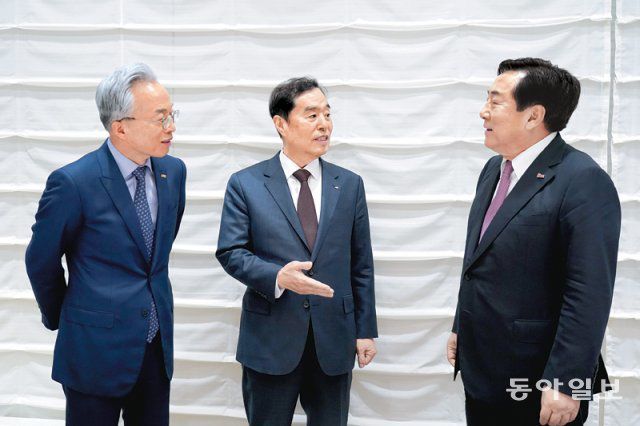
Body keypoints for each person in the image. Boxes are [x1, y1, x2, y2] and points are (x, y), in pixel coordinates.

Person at [447, 58, 621, 426]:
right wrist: (462, 326)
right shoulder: (494, 169)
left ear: (533, 115)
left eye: (495, 101)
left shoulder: (582, 180)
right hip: (484, 367)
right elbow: (480, 259)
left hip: (539, 378)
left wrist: (566, 382)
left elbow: (589, 293)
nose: (483, 111)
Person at [25, 63, 186, 426]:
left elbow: (154, 254)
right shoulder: (74, 182)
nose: (171, 127)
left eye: (172, 115)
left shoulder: (173, 172)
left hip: (155, 347)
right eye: (160, 118)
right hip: (93, 350)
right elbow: (40, 261)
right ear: (120, 127)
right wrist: (66, 317)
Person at [216, 77, 378, 425]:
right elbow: (231, 252)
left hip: (334, 340)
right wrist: (277, 276)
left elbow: (361, 264)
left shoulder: (349, 184)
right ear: (281, 123)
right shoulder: (246, 184)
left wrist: (365, 330)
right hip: (270, 341)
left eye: (327, 114)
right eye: (312, 115)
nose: (324, 125)